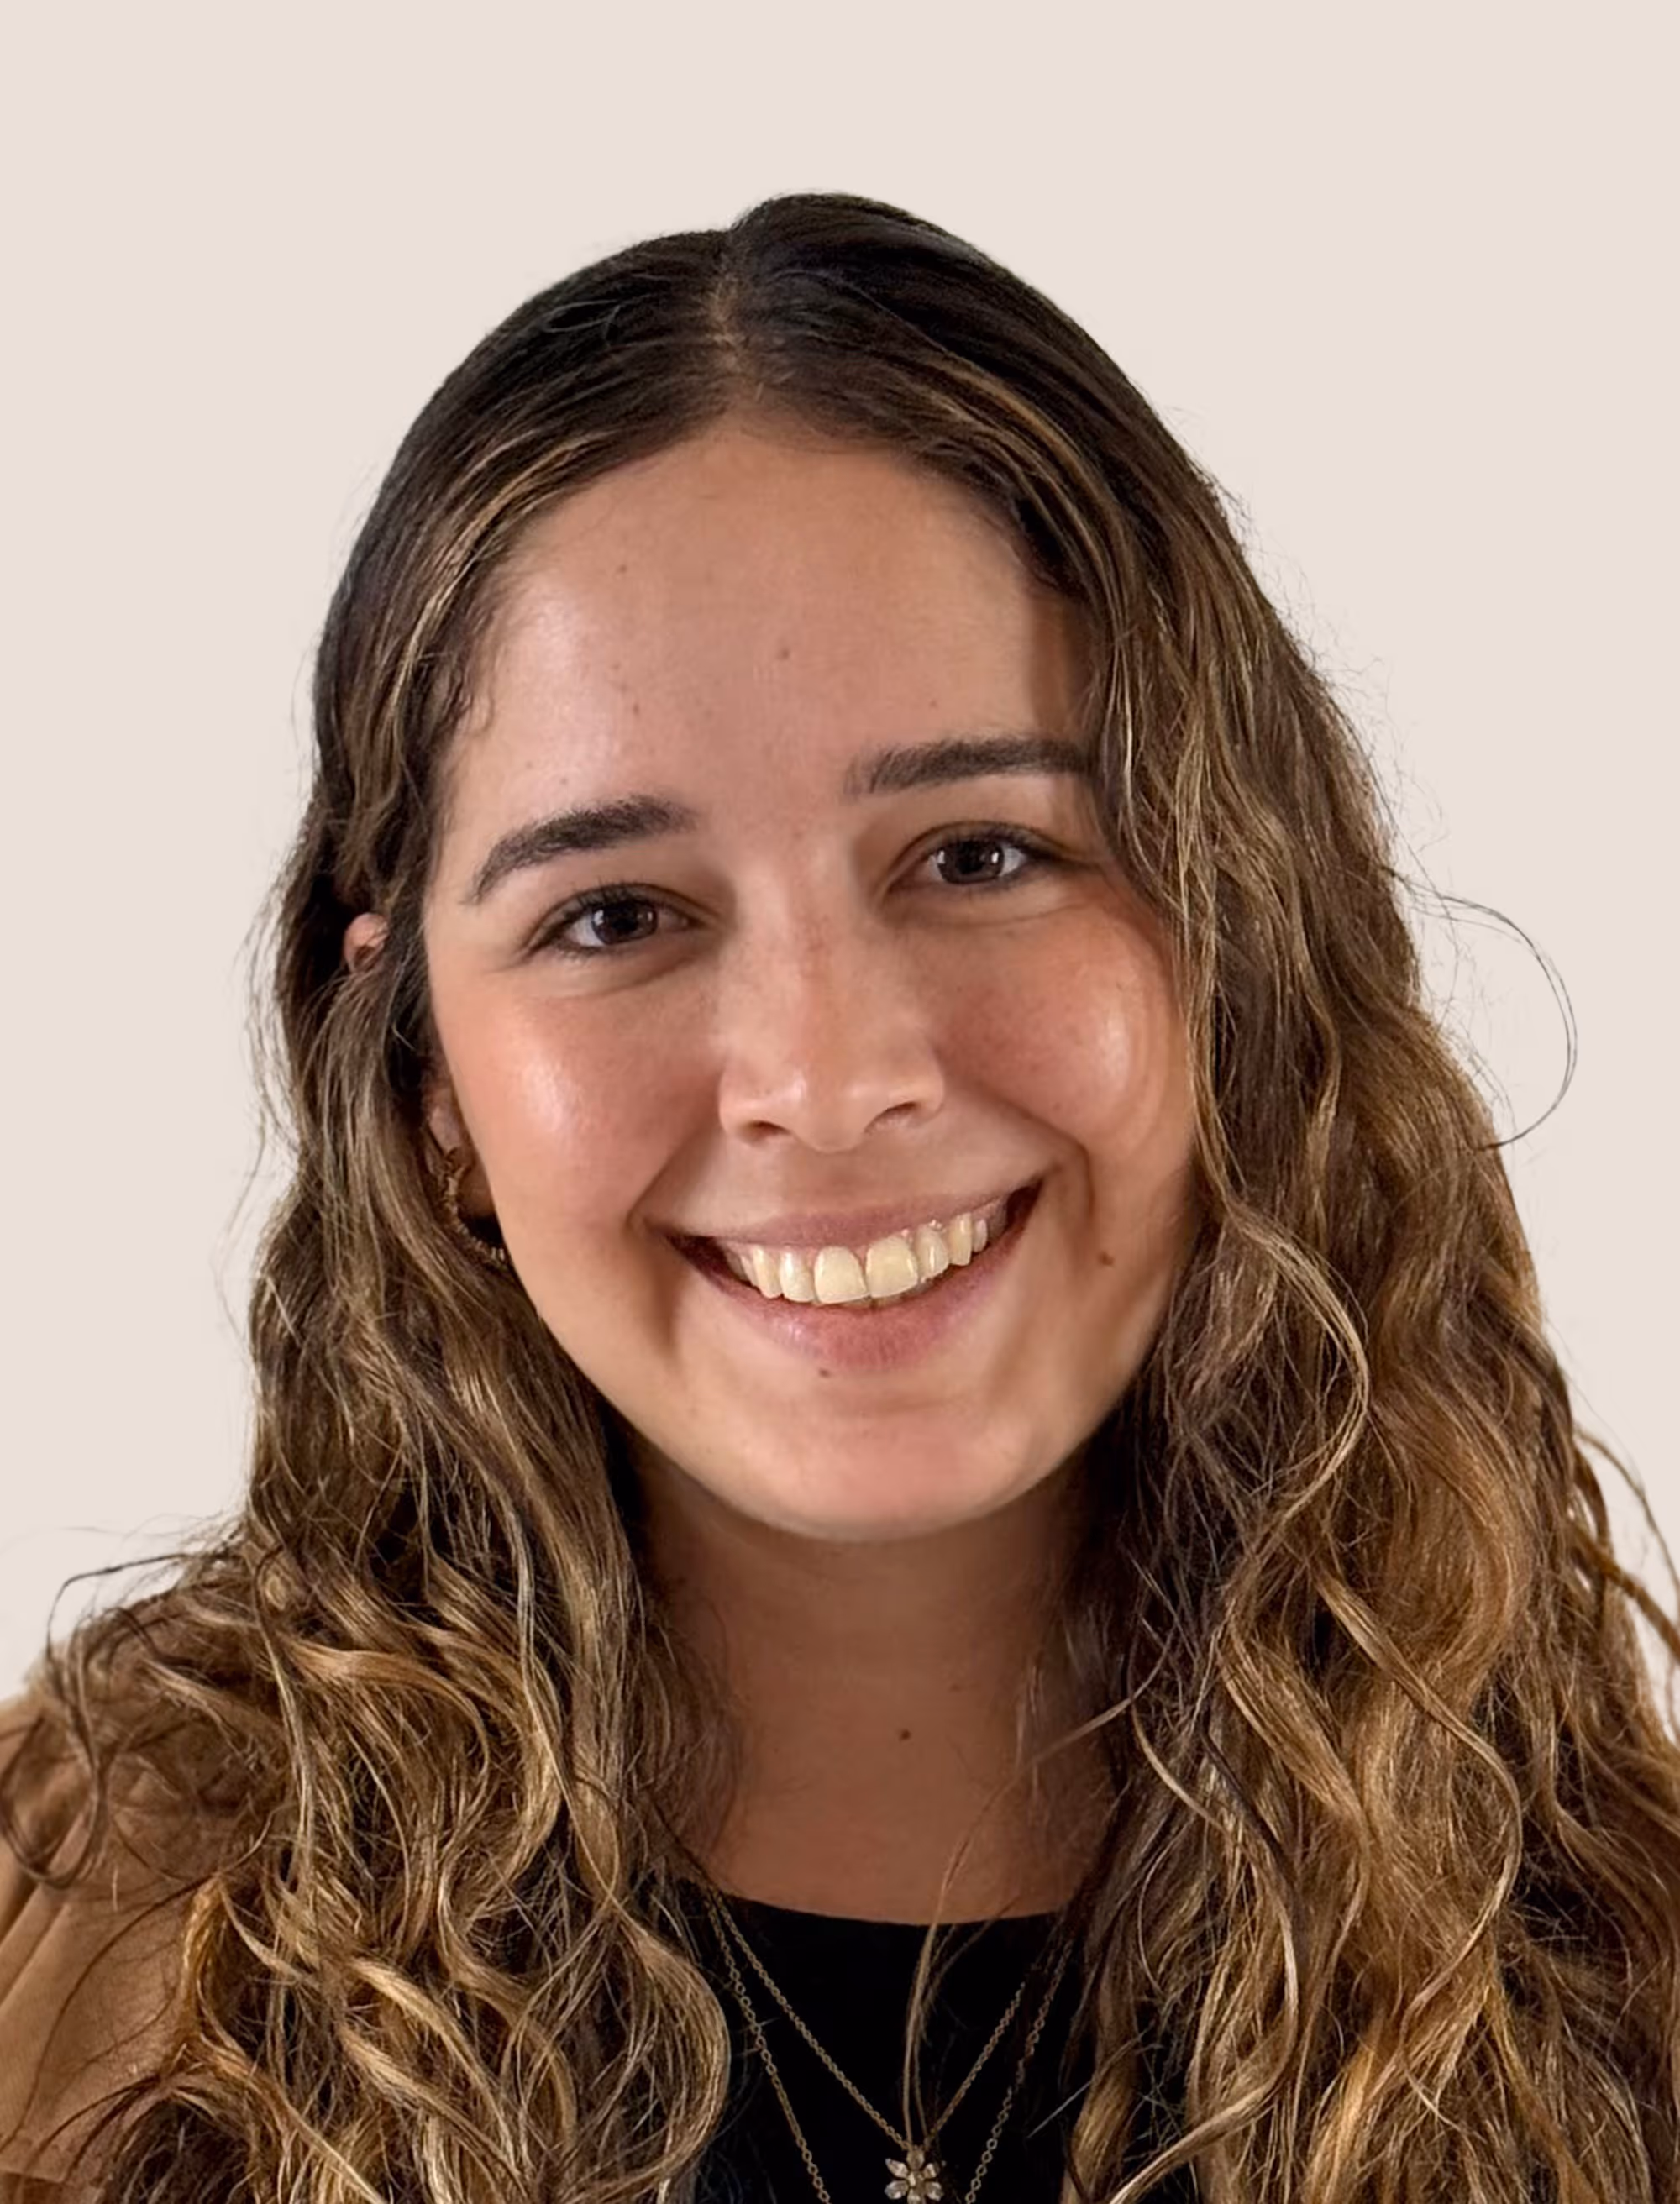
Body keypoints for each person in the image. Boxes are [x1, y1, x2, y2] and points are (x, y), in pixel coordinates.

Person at [1, 190, 1675, 2204]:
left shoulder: (1624, 1974)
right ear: (429, 1080)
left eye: (979, 855)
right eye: (614, 913)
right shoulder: (82, 1961)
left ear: (1240, 926)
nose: (824, 1072)